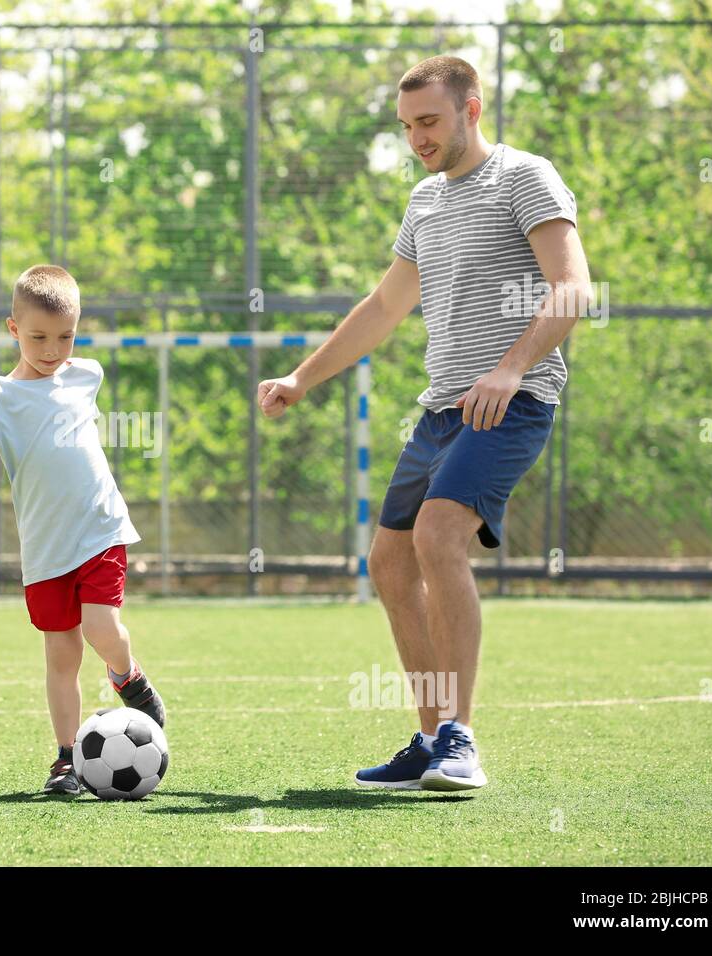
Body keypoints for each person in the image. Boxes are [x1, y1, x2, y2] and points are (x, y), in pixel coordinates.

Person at [258, 55, 592, 791]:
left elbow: (573, 289)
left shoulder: (525, 177)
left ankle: (462, 741)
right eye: (408, 126)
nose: (418, 138)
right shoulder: (424, 202)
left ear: (473, 109)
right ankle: (431, 734)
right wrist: (303, 377)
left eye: (430, 122)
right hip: (441, 410)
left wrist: (508, 368)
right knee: (388, 560)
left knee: (441, 534)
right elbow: (384, 307)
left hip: (514, 400)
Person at [0, 264, 166, 796]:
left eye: (65, 336)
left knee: (101, 631)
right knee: (61, 657)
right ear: (13, 329)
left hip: (100, 529)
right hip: (45, 551)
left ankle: (126, 675)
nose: (53, 349)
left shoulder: (87, 373)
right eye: (39, 337)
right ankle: (67, 760)